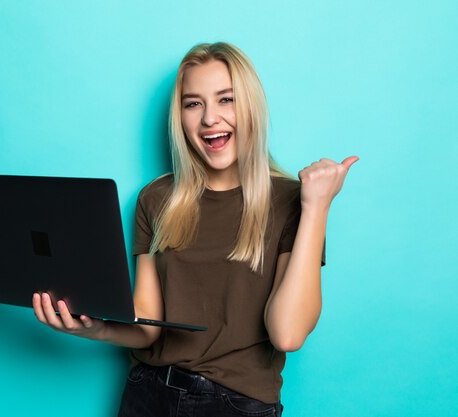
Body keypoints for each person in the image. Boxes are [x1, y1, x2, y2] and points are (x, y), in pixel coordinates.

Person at [32, 42, 358, 417]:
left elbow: (287, 333)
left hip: (234, 406)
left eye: (226, 100)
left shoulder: (290, 201)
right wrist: (92, 329)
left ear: (251, 106)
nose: (209, 119)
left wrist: (316, 207)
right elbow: (147, 325)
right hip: (147, 394)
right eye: (193, 103)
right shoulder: (156, 199)